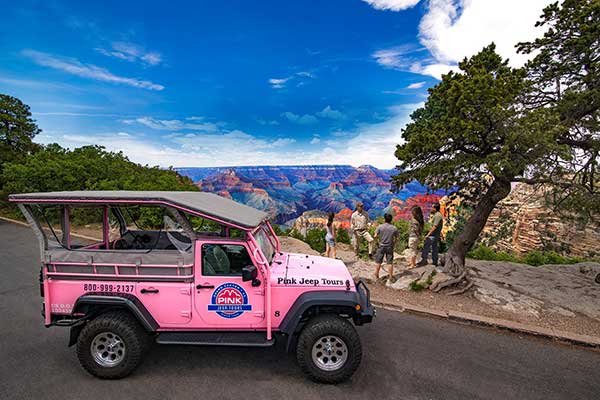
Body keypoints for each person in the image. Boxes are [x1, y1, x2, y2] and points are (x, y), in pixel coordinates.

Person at [373, 213, 398, 281]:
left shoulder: (380, 227)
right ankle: (390, 276)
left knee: (378, 261)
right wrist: (394, 244)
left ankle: (376, 274)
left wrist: (377, 242)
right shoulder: (394, 228)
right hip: (390, 246)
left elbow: (375, 236)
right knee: (390, 262)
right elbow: (396, 238)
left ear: (384, 219)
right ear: (391, 220)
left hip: (381, 246)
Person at [417, 203, 443, 267]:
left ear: (435, 208)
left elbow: (435, 227)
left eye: (432, 207)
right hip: (435, 235)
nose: (431, 209)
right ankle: (434, 261)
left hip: (433, 235)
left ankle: (424, 260)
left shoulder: (437, 216)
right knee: (434, 248)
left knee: (426, 245)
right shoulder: (437, 215)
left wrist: (428, 235)